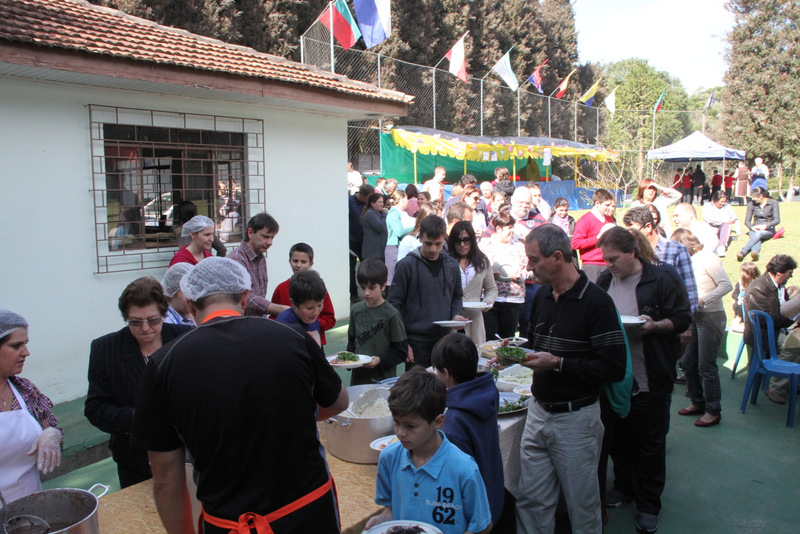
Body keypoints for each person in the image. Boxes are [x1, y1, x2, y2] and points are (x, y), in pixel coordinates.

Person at [131, 257, 348, 534]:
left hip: (229, 523)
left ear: (190, 304)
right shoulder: (291, 336)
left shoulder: (164, 364)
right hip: (310, 513)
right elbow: (338, 401)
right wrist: (292, 414)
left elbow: (165, 478)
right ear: (245, 297)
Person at [515, 224, 627, 534]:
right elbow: (535, 346)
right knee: (531, 501)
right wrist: (515, 353)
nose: (529, 266)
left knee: (582, 506)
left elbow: (613, 368)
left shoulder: (597, 303)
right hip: (538, 412)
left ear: (557, 257)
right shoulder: (541, 296)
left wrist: (558, 364)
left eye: (534, 259)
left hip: (576, 419)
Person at [595, 227, 692, 534]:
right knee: (617, 439)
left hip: (649, 375)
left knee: (649, 444)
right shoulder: (605, 280)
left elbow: (683, 318)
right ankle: (623, 486)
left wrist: (656, 325)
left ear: (632, 252)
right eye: (605, 259)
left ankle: (649, 504)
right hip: (615, 379)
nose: (608, 264)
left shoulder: (661, 278)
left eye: (614, 259)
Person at [85, 277, 192, 488]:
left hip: (185, 454)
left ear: (164, 314)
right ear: (125, 318)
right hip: (135, 460)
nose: (145, 328)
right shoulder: (106, 349)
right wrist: (139, 417)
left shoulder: (185, 339)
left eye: (153, 320)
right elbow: (95, 408)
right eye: (135, 322)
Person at [365, 367, 493, 534]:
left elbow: (482, 526)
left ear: (438, 422)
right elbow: (391, 507)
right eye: (396, 422)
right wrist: (383, 519)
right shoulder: (389, 458)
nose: (400, 432)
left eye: (411, 426)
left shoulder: (463, 469)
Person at [431, 333, 505, 527]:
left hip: (472, 512)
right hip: (492, 492)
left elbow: (455, 478)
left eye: (436, 370)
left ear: (445, 373)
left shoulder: (454, 421)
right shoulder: (488, 391)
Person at [671, 228, 732, 427]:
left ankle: (713, 410)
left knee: (706, 365)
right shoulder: (689, 261)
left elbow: (726, 285)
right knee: (688, 362)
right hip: (694, 316)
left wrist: (703, 300)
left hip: (710, 316)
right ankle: (697, 401)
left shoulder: (708, 259)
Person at [389, 215, 467, 369]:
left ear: (444, 239)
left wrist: (455, 315)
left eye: (438, 244)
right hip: (415, 340)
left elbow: (456, 296)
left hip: (444, 338)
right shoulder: (406, 266)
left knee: (444, 381)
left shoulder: (451, 265)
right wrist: (402, 341)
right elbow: (394, 305)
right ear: (419, 237)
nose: (433, 249)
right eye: (428, 243)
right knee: (418, 383)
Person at [0, 309, 62, 501]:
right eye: (16, 346)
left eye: (25, 344)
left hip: (30, 503)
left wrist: (52, 434)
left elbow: (51, 427)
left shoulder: (25, 390)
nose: (26, 352)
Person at [623, 206, 699, 315]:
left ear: (648, 227)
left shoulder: (676, 250)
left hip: (671, 317)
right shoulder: (632, 252)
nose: (631, 236)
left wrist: (686, 320)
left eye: (634, 231)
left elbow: (689, 290)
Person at [743, 254, 798, 405]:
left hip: (776, 329)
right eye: (789, 273)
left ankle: (792, 381)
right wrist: (791, 322)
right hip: (763, 334)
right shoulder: (758, 288)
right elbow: (763, 319)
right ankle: (776, 388)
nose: (791, 276)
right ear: (779, 272)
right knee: (793, 347)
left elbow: (783, 308)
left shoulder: (779, 285)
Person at [270, 243, 335, 346]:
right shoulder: (281, 289)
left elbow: (330, 318)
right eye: (295, 261)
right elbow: (273, 319)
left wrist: (313, 322)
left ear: (311, 264)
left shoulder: (319, 289)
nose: (298, 265)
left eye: (303, 262)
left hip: (315, 342)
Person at [480, 211, 530, 339]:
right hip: (490, 299)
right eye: (509, 228)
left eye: (513, 227)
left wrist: (521, 275)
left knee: (508, 338)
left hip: (514, 300)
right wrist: (488, 275)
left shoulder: (520, 247)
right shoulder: (484, 246)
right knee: (490, 337)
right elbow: (476, 269)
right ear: (498, 229)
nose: (512, 231)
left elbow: (531, 269)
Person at [228, 212, 289, 316]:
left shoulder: (261, 258)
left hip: (258, 321)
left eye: (272, 238)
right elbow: (243, 296)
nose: (270, 242)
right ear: (250, 233)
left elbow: (260, 296)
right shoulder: (237, 258)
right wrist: (277, 309)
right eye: (265, 237)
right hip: (242, 322)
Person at [448, 221, 497, 344]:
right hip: (451, 319)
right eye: (458, 241)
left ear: (473, 240)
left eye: (466, 240)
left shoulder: (482, 261)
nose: (462, 244)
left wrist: (487, 301)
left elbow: (491, 288)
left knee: (475, 351)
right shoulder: (446, 261)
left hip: (475, 319)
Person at [572, 188, 617, 283]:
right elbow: (575, 243)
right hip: (592, 265)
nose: (610, 208)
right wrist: (597, 238)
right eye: (607, 205)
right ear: (597, 204)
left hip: (609, 263)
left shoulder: (609, 219)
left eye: (611, 205)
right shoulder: (585, 220)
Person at [275, 270, 327, 347]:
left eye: (319, 305)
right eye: (309, 308)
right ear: (293, 303)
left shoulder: (311, 319)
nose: (315, 312)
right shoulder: (284, 325)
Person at [736, 186, 780, 262]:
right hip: (754, 228)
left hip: (768, 229)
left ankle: (743, 251)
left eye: (754, 197)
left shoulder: (773, 203)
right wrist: (752, 227)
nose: (753, 199)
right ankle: (755, 253)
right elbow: (747, 221)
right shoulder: (751, 204)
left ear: (761, 196)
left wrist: (766, 226)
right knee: (756, 236)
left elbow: (777, 220)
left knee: (759, 234)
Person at [349, 184, 375, 302]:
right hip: (352, 243)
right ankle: (353, 293)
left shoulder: (369, 204)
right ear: (363, 195)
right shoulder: (349, 202)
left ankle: (369, 291)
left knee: (367, 269)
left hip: (365, 242)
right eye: (369, 198)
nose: (370, 200)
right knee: (351, 269)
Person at [385, 190, 415, 286]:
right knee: (392, 280)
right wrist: (416, 226)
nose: (408, 201)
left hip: (400, 247)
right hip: (393, 247)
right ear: (402, 199)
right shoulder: (393, 214)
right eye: (406, 198)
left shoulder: (403, 213)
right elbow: (399, 232)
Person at [702, 191, 742, 256]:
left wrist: (738, 231)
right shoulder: (708, 206)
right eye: (721, 201)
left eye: (724, 201)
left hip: (723, 227)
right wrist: (726, 220)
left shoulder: (727, 206)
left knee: (726, 225)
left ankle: (721, 247)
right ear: (715, 200)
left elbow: (735, 218)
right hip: (710, 227)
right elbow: (709, 219)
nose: (723, 203)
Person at [731, 262, 760, 330]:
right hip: (742, 303)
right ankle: (740, 317)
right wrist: (739, 298)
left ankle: (740, 317)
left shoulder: (758, 282)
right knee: (738, 302)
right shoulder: (740, 283)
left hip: (753, 304)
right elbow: (734, 294)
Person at [361, 192, 388, 262]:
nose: (382, 204)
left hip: (378, 252)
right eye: (379, 202)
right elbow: (381, 226)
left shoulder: (377, 213)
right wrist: (385, 214)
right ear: (373, 203)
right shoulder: (370, 214)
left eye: (382, 202)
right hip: (373, 254)